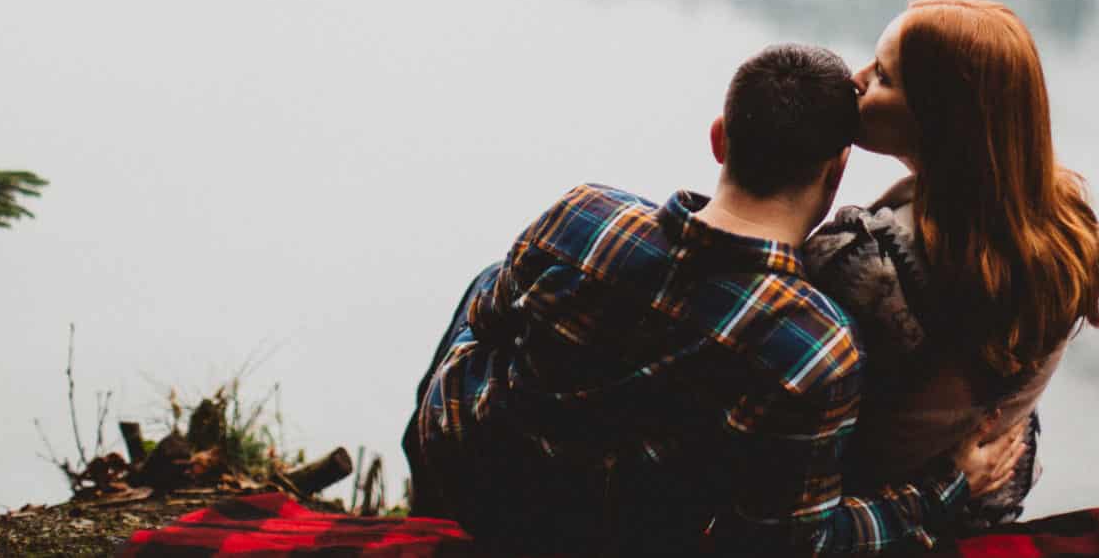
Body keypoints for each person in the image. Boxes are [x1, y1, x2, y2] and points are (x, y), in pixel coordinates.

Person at [404, 42, 1025, 557]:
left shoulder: (584, 214)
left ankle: (429, 490)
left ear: (719, 138)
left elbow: (486, 322)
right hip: (608, 535)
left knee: (497, 283)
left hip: (473, 485)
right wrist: (948, 487)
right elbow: (795, 540)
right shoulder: (816, 347)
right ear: (835, 175)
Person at [804, 0, 1099, 529]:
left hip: (872, 527)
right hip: (987, 509)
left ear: (939, 120)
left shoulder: (867, 263)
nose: (856, 78)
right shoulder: (1067, 229)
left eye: (884, 78)